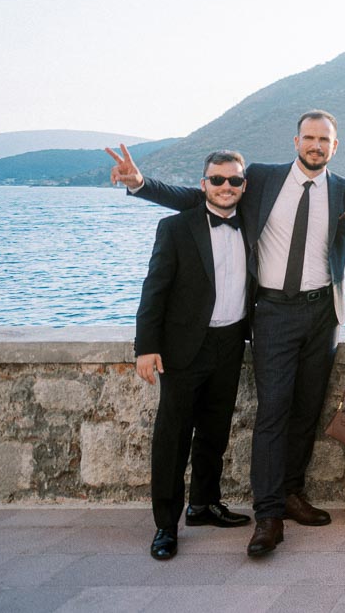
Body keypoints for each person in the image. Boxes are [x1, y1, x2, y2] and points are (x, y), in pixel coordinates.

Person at [109, 111, 345, 558]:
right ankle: (267, 515)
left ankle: (290, 492)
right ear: (296, 139)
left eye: (325, 139)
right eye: (309, 137)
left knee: (306, 412)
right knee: (272, 412)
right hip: (273, 314)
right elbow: (199, 199)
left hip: (322, 313)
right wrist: (141, 184)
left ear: (335, 146)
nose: (316, 145)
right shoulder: (259, 179)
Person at [134, 150, 254, 561]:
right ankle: (166, 525)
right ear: (202, 184)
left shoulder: (251, 222)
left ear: (244, 185)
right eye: (217, 180)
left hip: (232, 342)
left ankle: (203, 504)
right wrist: (146, 347)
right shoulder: (176, 228)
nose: (226, 187)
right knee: (173, 438)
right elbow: (155, 290)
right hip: (184, 347)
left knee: (215, 431)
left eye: (234, 181)